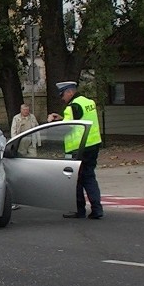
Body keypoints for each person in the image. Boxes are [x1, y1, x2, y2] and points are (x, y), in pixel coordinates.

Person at [47, 81, 104, 220]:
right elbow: (79, 120)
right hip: (93, 144)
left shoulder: (71, 107)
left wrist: (52, 123)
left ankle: (79, 210)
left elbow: (67, 128)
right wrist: (62, 118)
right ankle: (97, 209)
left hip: (77, 148)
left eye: (63, 94)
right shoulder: (89, 102)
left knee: (75, 180)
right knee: (89, 176)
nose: (62, 98)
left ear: (70, 92)